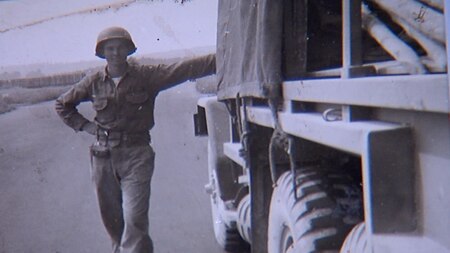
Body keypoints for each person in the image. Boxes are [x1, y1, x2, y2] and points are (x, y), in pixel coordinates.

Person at [55, 26, 215, 253]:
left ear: (128, 50)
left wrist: (220, 58)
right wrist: (86, 126)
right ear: (102, 53)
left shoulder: (146, 76)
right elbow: (62, 104)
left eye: (120, 47)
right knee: (113, 222)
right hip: (103, 157)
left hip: (137, 154)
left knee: (134, 219)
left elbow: (183, 69)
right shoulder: (93, 81)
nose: (115, 53)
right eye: (110, 48)